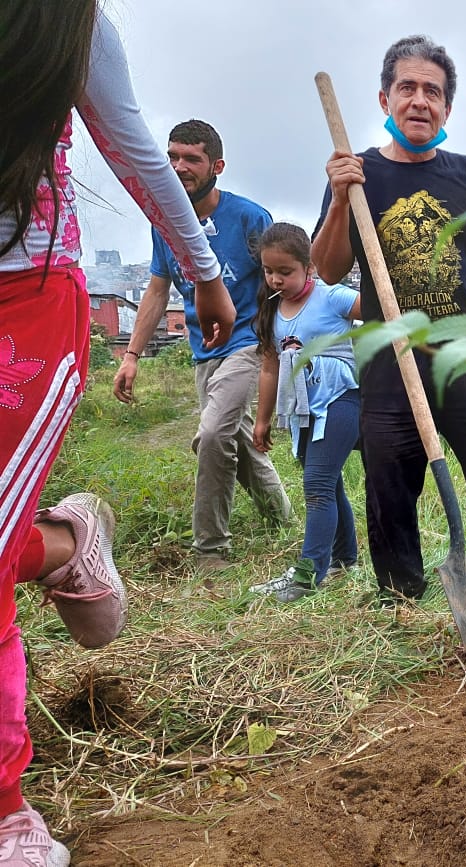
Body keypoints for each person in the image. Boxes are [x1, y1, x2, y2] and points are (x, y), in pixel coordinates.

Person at [1, 3, 235, 863]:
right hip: (164, 330)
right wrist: (139, 347)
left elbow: (133, 154)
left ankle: (6, 811)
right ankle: (64, 544)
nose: (184, 163)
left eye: (195, 158)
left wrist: (207, 276)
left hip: (24, 301)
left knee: (222, 438)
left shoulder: (68, 22)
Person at [312, 35, 466, 616]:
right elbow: (329, 266)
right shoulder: (356, 174)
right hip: (390, 364)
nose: (421, 100)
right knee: (389, 485)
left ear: (447, 108)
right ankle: (401, 599)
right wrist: (341, 199)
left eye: (433, 91)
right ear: (385, 97)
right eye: (408, 88)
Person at [113, 120, 293, 571]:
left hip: (249, 344)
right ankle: (283, 520)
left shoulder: (250, 218)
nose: (179, 167)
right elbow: (156, 292)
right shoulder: (165, 223)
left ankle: (211, 549)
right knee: (234, 439)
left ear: (217, 166)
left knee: (212, 434)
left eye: (191, 159)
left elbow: (278, 282)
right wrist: (131, 356)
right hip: (203, 352)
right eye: (172, 157)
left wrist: (277, 343)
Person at [248, 223, 362, 603]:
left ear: (308, 267)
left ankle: (307, 575)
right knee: (329, 484)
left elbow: (380, 308)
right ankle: (345, 560)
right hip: (303, 410)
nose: (276, 279)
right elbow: (269, 367)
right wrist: (262, 420)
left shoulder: (332, 298)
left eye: (285, 272)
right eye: (269, 271)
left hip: (341, 400)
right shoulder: (272, 309)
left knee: (316, 486)